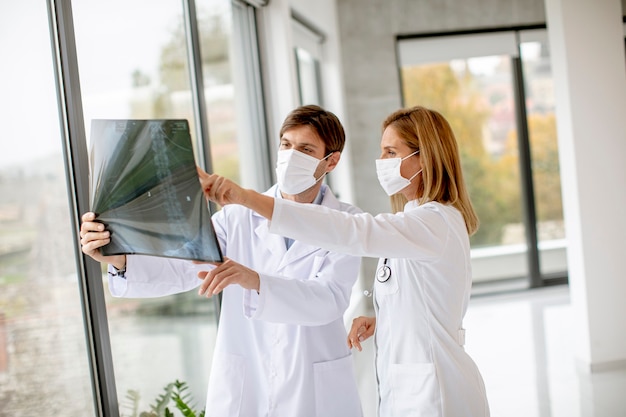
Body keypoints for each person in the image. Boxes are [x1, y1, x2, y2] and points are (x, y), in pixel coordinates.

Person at [198, 105, 490, 417]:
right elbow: (430, 300)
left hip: (436, 394)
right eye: (383, 151)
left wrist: (244, 197)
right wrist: (385, 321)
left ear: (425, 158)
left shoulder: (434, 222)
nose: (382, 162)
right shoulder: (416, 219)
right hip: (411, 389)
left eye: (392, 152)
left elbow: (352, 231)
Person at [79, 105, 364, 417]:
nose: (291, 155)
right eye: (286, 145)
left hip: (314, 389)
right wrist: (118, 258)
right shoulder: (237, 218)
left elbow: (329, 300)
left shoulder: (347, 223)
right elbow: (182, 266)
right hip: (247, 382)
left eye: (306, 149)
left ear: (331, 161)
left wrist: (254, 279)